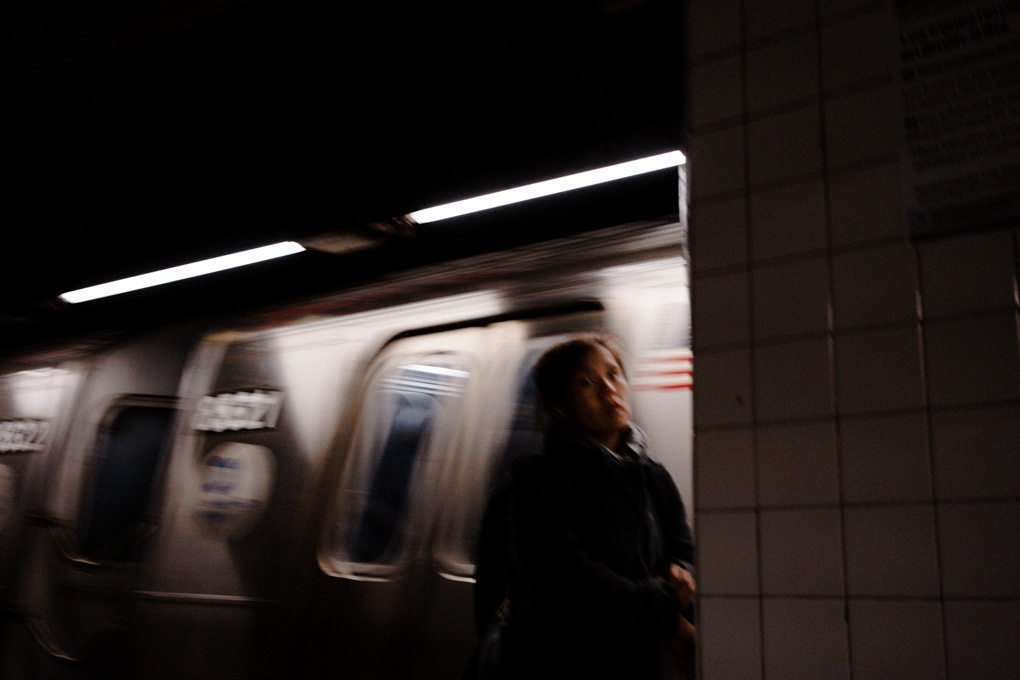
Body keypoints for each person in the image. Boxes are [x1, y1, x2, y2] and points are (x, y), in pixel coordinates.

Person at [489, 333, 696, 680]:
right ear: (559, 406)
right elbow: (562, 578)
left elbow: (682, 545)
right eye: (586, 382)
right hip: (564, 661)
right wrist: (664, 611)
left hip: (640, 662)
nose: (608, 390)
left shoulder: (653, 475)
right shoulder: (536, 478)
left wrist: (680, 570)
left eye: (613, 374)